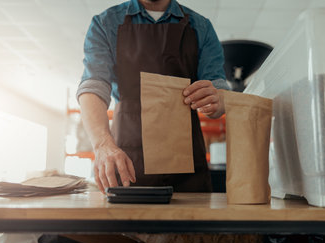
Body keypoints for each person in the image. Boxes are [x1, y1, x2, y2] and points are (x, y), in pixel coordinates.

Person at [77, 0, 230, 193]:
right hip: (127, 163)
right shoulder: (106, 24)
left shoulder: (201, 27)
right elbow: (93, 86)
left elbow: (220, 91)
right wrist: (102, 144)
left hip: (187, 168)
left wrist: (218, 99)